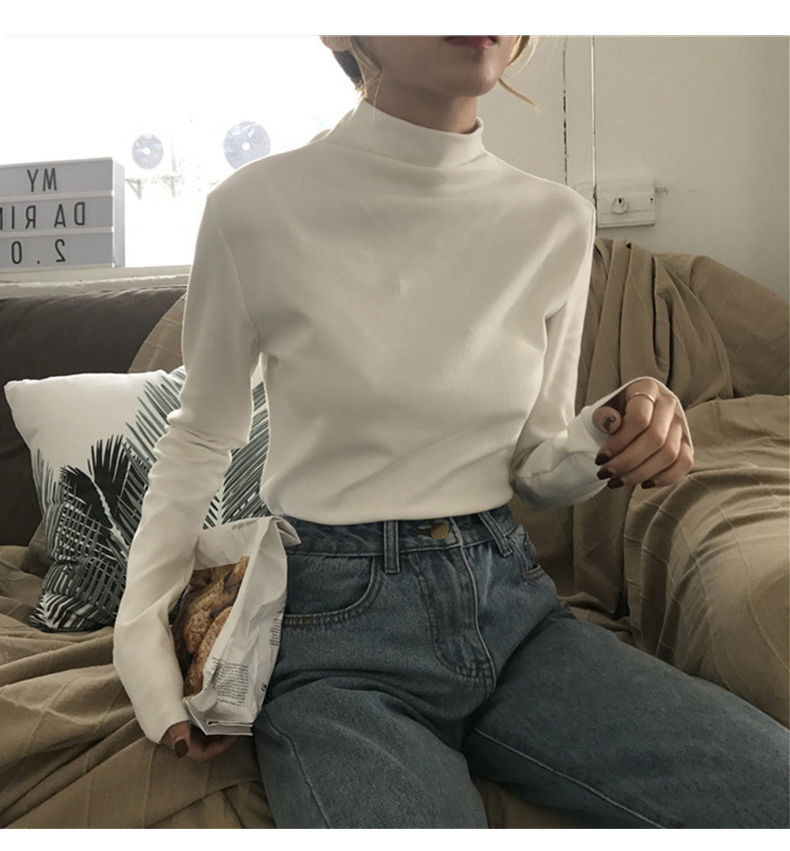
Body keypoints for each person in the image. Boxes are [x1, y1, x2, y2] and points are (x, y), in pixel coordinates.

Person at [113, 36, 789, 828]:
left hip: (514, 611)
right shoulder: (254, 209)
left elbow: (536, 466)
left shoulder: (555, 221)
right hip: (335, 637)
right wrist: (143, 647)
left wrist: (614, 422)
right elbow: (200, 437)